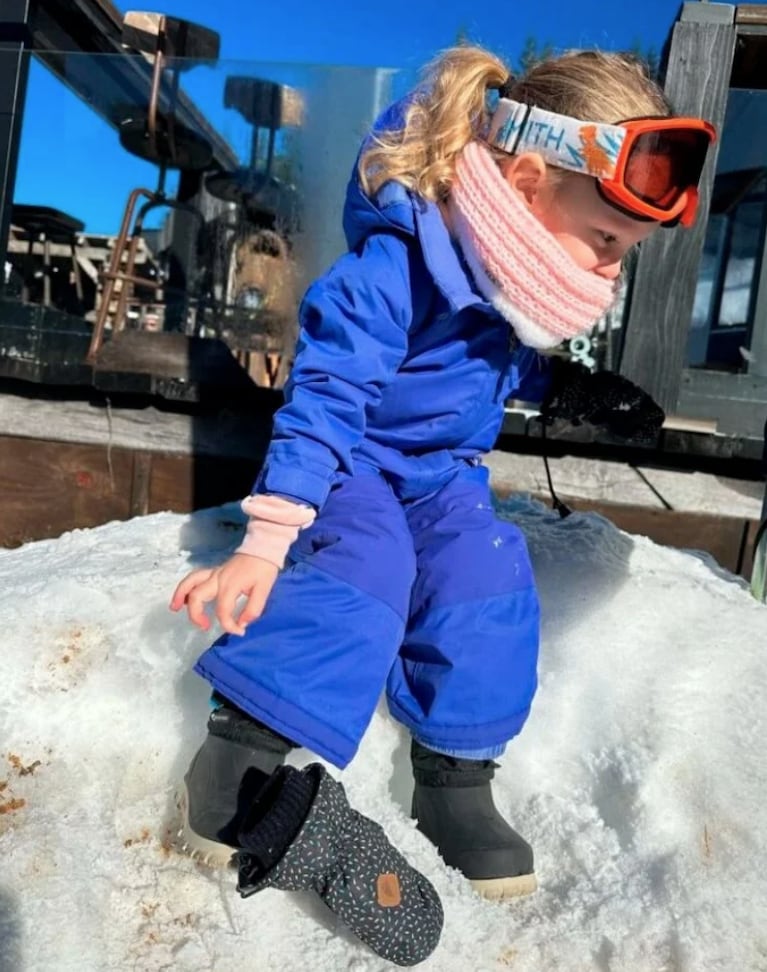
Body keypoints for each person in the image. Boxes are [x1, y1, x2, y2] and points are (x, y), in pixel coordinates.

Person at [170, 44, 714, 913]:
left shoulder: (508, 275)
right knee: (367, 571)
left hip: (444, 477)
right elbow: (325, 396)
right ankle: (244, 743)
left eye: (627, 253)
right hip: (352, 465)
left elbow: (488, 371)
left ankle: (455, 777)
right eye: (607, 240)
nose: (611, 271)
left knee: (486, 575)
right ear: (529, 180)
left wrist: (568, 389)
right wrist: (266, 542)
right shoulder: (394, 269)